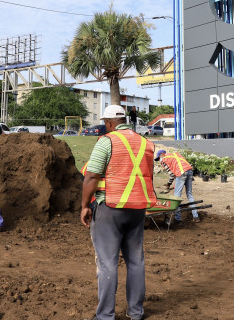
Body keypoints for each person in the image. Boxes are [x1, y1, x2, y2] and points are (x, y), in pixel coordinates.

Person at [81, 105, 156, 320]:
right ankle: (136, 312)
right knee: (136, 261)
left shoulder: (107, 141)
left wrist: (85, 205)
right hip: (137, 208)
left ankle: (105, 315)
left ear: (109, 122)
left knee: (107, 263)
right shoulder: (146, 143)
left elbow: (92, 176)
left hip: (111, 208)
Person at [155, 148, 199, 224]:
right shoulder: (176, 154)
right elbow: (185, 166)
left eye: (158, 158)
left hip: (181, 173)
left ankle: (177, 219)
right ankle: (196, 217)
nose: (159, 160)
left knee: (177, 196)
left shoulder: (164, 160)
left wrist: (168, 184)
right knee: (189, 194)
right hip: (189, 171)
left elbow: (172, 175)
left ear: (161, 155)